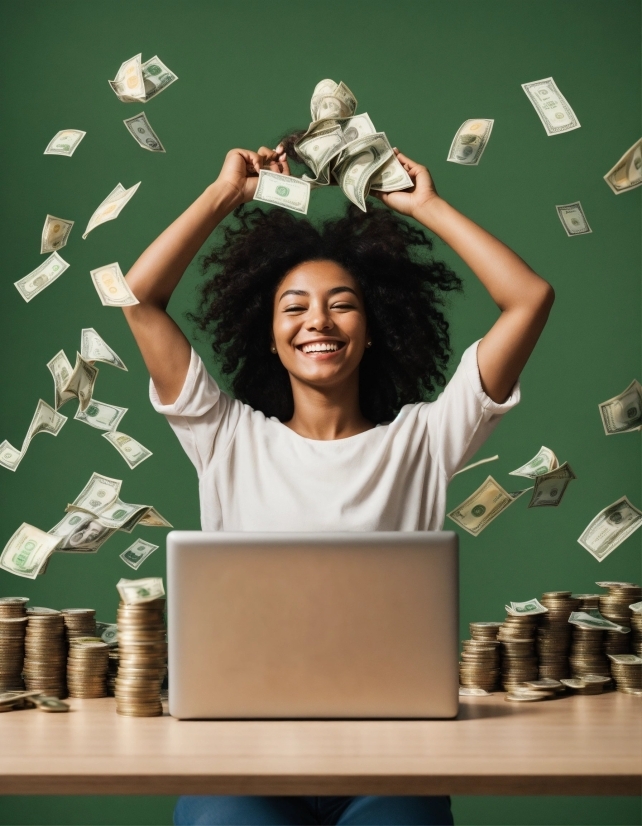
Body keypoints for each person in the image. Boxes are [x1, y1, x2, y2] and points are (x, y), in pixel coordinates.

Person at [122, 142, 554, 826]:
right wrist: (224, 194)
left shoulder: (423, 439)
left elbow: (529, 299)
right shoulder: (225, 435)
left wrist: (429, 207)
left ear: (373, 330)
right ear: (267, 335)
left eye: (341, 305)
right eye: (293, 308)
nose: (317, 322)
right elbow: (137, 297)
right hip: (241, 763)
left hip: (394, 763)